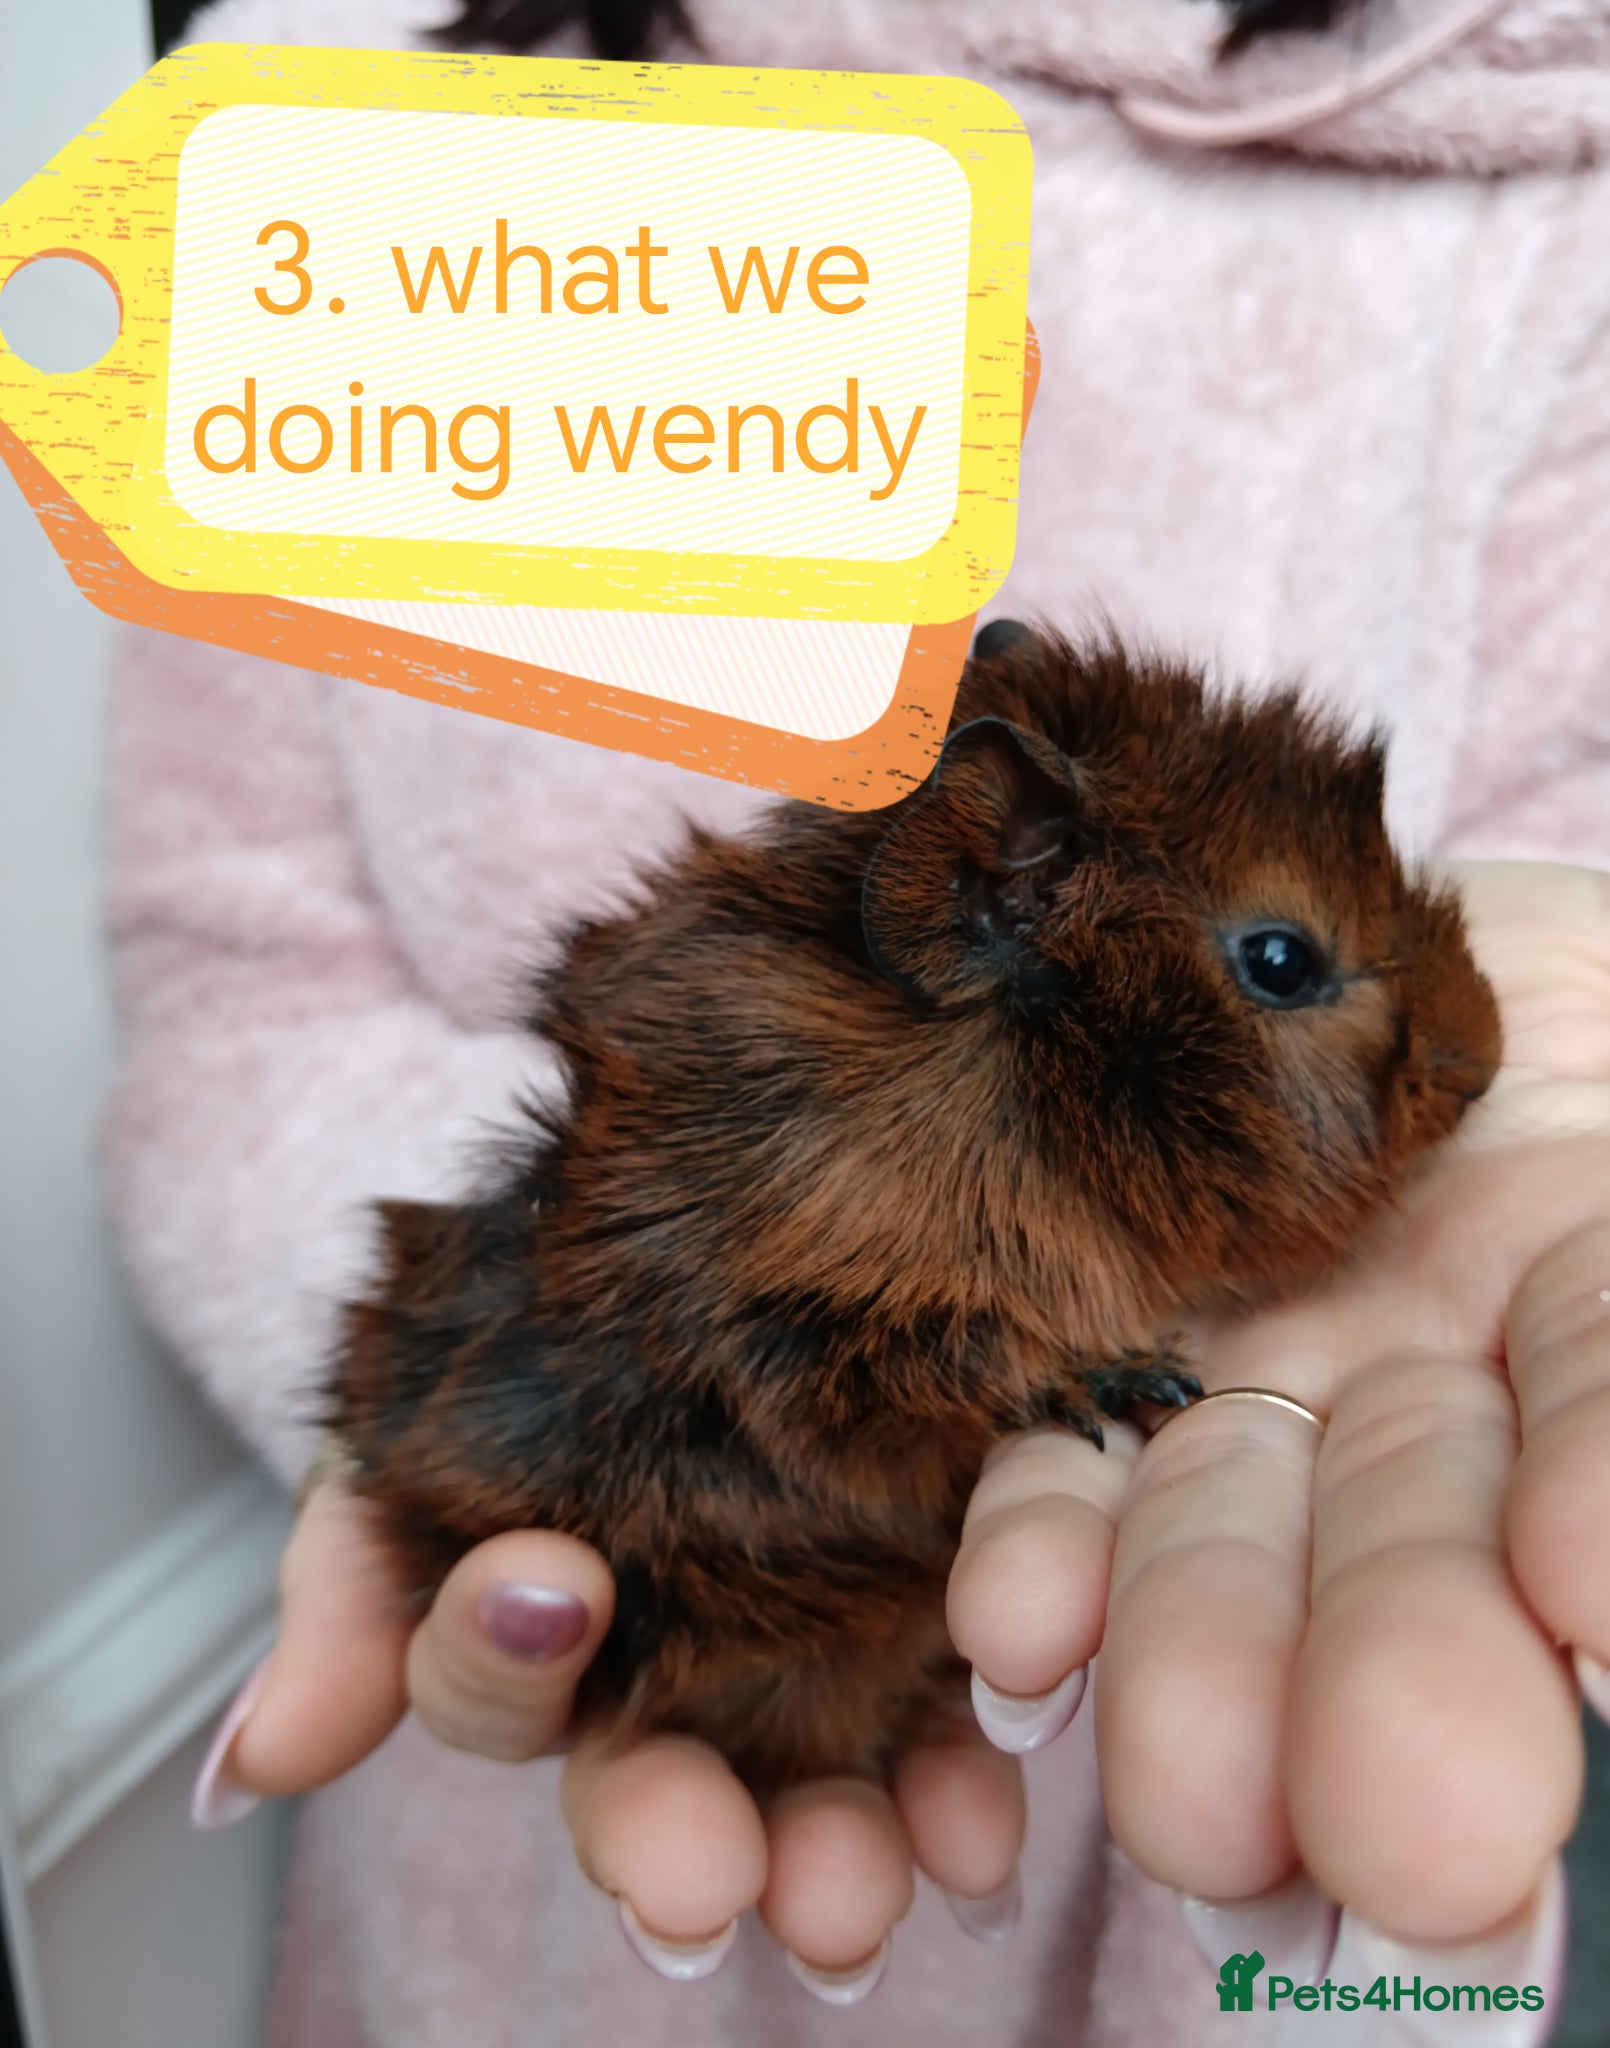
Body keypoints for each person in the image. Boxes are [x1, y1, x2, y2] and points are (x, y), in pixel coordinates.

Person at [104, 0, 1610, 2041]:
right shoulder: (341, 101)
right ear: (1001, 913)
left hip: (1174, 1838)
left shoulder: (1540, 151)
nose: (1452, 1044)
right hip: (561, 1815)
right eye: (1276, 969)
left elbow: (1551, 813)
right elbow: (245, 977)